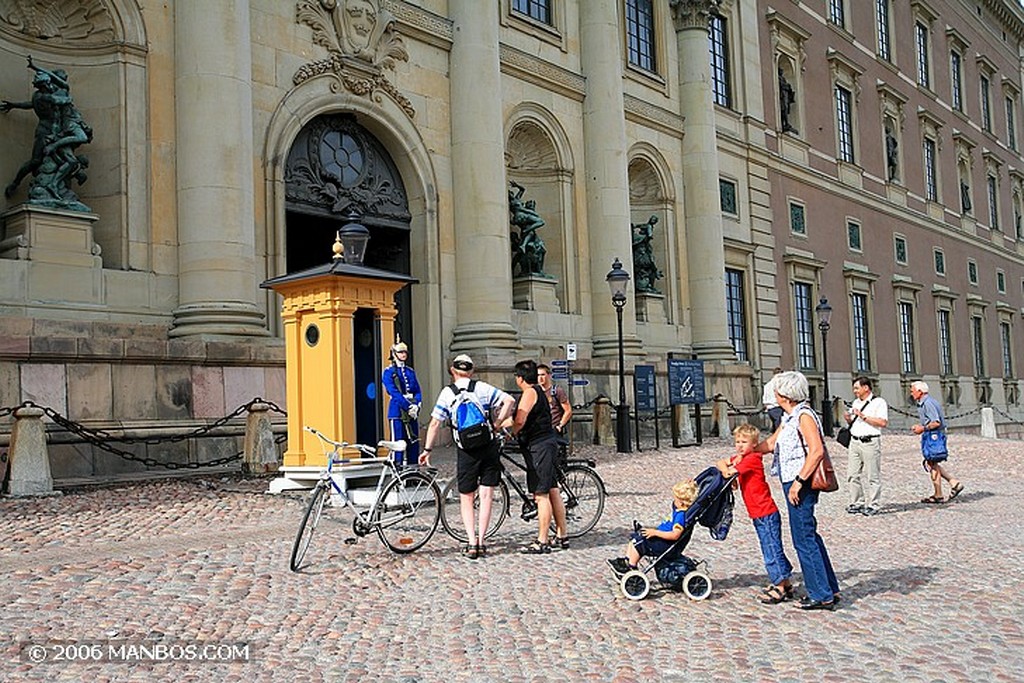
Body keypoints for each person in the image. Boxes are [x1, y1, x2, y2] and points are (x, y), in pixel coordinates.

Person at [753, 371, 840, 610]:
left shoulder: (804, 416)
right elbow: (771, 444)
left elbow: (816, 451)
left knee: (803, 538)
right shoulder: (789, 417)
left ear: (784, 394)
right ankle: (828, 587)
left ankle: (821, 594)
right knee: (809, 535)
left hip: (801, 483)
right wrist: (748, 450)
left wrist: (799, 482)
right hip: (791, 480)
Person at [420, 354, 514, 558]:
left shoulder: (447, 393)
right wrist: (497, 424)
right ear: (471, 371)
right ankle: (482, 540)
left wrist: (427, 449)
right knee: (487, 494)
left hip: (466, 450)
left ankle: (471, 542)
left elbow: (435, 423)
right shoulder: (482, 388)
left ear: (453, 371)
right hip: (487, 445)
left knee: (467, 496)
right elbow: (510, 400)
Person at [716, 423, 794, 605]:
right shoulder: (741, 458)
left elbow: (729, 472)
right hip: (757, 512)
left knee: (771, 548)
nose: (740, 445)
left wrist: (730, 470)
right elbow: (720, 463)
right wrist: (729, 466)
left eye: (744, 442)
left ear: (754, 444)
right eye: (737, 442)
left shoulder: (752, 459)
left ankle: (780, 585)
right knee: (770, 545)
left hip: (765, 511)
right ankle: (786, 581)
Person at [508, 359, 568, 554]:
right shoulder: (540, 392)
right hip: (547, 443)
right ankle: (562, 536)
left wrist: (511, 431)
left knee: (541, 495)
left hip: (539, 447)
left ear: (520, 378)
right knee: (552, 490)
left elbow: (520, 419)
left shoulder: (529, 393)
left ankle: (542, 540)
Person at [606, 479, 699, 574]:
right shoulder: (679, 509)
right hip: (662, 539)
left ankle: (631, 567)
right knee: (636, 537)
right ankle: (627, 560)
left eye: (675, 499)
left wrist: (655, 533)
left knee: (640, 543)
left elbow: (675, 535)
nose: (673, 501)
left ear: (681, 503)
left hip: (665, 544)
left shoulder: (680, 516)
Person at [910, 381, 964, 504]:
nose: (911, 393)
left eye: (913, 390)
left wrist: (922, 428)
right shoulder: (926, 402)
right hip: (933, 435)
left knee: (932, 461)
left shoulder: (927, 403)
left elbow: (936, 422)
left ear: (920, 392)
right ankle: (943, 490)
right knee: (932, 462)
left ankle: (950, 485)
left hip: (934, 436)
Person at [843, 376, 889, 516]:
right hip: (855, 442)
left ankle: (874, 504)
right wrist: (848, 418)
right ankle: (857, 502)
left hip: (870, 442)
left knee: (872, 475)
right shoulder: (856, 402)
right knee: (852, 474)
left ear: (866, 388)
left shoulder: (878, 402)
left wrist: (863, 416)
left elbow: (882, 422)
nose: (854, 391)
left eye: (857, 388)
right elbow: (853, 421)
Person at [381, 339, 421, 468]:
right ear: (394, 353)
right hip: (398, 412)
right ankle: (397, 473)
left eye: (405, 352)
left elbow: (417, 390)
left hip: (412, 411)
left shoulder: (410, 371)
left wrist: (416, 405)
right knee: (398, 443)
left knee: (413, 442)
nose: (404, 354)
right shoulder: (388, 372)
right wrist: (408, 406)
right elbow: (393, 392)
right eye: (400, 352)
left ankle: (413, 471)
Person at [536, 363, 572, 436]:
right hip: (539, 429)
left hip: (553, 428)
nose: (540, 378)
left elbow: (568, 410)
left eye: (543, 375)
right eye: (538, 375)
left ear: (548, 375)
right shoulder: (535, 392)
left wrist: (560, 426)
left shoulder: (557, 391)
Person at [762, 367, 784, 432]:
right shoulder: (779, 384)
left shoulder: (767, 385)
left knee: (775, 428)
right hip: (777, 407)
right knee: (780, 430)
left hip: (770, 408)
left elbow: (764, 398)